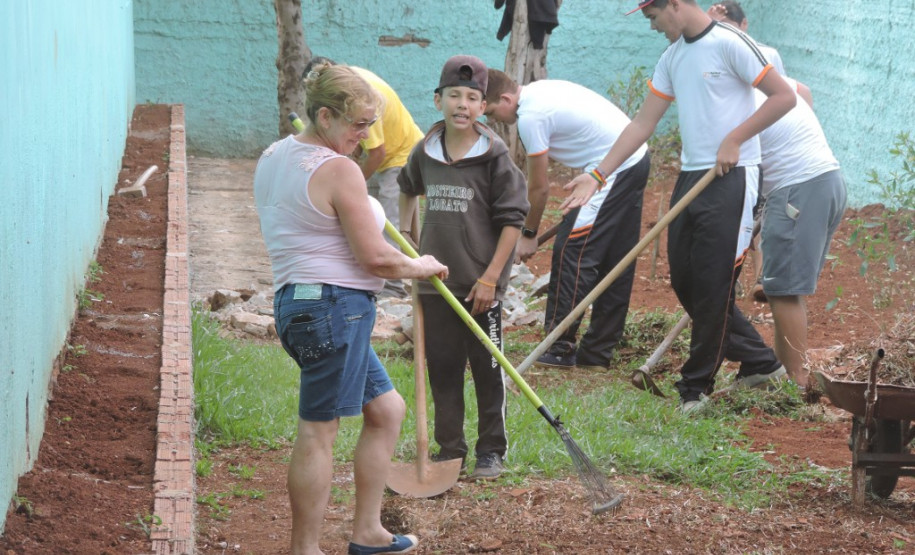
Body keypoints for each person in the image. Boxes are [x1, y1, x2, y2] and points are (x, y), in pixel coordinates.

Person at [563, 0, 797, 412]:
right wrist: (598, 174)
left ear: (673, 4)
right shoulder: (672, 57)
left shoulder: (730, 42)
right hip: (692, 176)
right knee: (686, 281)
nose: (652, 27)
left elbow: (783, 97)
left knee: (713, 283)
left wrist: (735, 139)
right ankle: (761, 362)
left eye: (653, 17)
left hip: (733, 174)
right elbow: (642, 123)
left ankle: (695, 388)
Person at [254, 63, 448, 555]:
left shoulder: (275, 154)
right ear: (325, 116)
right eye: (359, 124)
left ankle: (368, 533)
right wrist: (419, 265)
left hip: (298, 305)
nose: (365, 136)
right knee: (318, 432)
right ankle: (305, 549)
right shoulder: (338, 169)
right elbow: (376, 257)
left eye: (370, 124)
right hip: (333, 309)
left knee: (386, 410)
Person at [398, 55, 529, 479]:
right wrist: (408, 237)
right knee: (443, 369)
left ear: (483, 106)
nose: (463, 104)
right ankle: (449, 450)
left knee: (488, 371)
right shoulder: (425, 151)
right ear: (438, 100)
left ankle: (491, 451)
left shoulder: (495, 156)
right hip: (435, 285)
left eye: (473, 98)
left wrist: (491, 278)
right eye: (454, 95)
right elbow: (407, 187)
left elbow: (513, 222)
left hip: (479, 286)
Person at [483, 70, 651, 371]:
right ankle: (597, 354)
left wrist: (529, 233)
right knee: (616, 257)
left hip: (612, 167)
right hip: (632, 158)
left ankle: (559, 347)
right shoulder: (538, 92)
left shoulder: (530, 117)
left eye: (492, 111)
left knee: (572, 251)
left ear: (506, 99)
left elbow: (538, 187)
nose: (493, 120)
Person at [304, 56, 426, 299]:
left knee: (388, 223)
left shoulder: (361, 99)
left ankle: (391, 290)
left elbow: (377, 152)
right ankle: (411, 273)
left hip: (403, 154)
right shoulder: (351, 85)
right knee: (390, 224)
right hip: (395, 151)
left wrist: (350, 185)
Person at [755, 78, 846, 389]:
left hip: (797, 188)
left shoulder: (731, 90)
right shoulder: (764, 76)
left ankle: (795, 382)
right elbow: (802, 91)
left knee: (784, 291)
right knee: (784, 289)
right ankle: (784, 375)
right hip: (824, 180)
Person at [706, 0, 788, 303]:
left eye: (731, 27)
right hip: (727, 148)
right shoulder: (708, 52)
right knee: (734, 214)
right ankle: (733, 280)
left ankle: (760, 276)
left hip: (756, 145)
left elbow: (782, 96)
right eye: (719, 28)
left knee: (760, 212)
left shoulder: (766, 54)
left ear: (744, 25)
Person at [708, 1, 786, 75]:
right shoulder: (710, 55)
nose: (724, 36)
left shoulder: (769, 54)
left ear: (744, 23)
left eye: (729, 29)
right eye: (718, 30)